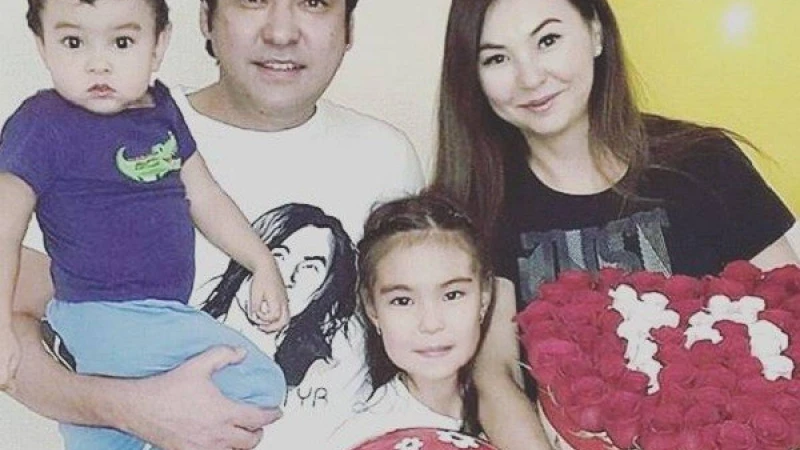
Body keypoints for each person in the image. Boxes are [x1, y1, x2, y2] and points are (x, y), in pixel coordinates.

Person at [6, 0, 425, 449]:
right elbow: (19, 335)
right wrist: (128, 408)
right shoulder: (82, 126)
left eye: (313, 2)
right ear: (206, 17)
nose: (281, 32)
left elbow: (422, 344)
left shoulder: (387, 156)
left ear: (349, 27)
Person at [431, 0, 799, 448]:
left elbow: (789, 318)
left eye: (548, 40)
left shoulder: (706, 163)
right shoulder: (479, 202)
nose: (529, 77)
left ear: (596, 33)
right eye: (496, 58)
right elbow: (496, 374)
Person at [0, 0, 292, 448]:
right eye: (73, 42)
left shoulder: (161, 110)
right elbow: (4, 229)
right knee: (259, 384)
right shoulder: (40, 124)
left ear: (158, 45)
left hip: (155, 317)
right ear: (42, 45)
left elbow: (206, 196)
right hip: (106, 316)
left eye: (122, 42)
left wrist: (262, 263)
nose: (98, 63)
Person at [327, 193, 493, 450]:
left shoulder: (513, 415)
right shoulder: (366, 436)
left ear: (484, 296)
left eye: (452, 295)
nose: (431, 324)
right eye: (402, 301)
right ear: (372, 308)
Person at [201, 203, 357, 389]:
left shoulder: (311, 380)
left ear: (321, 291)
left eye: (310, 267)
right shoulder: (188, 332)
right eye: (279, 256)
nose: (286, 278)